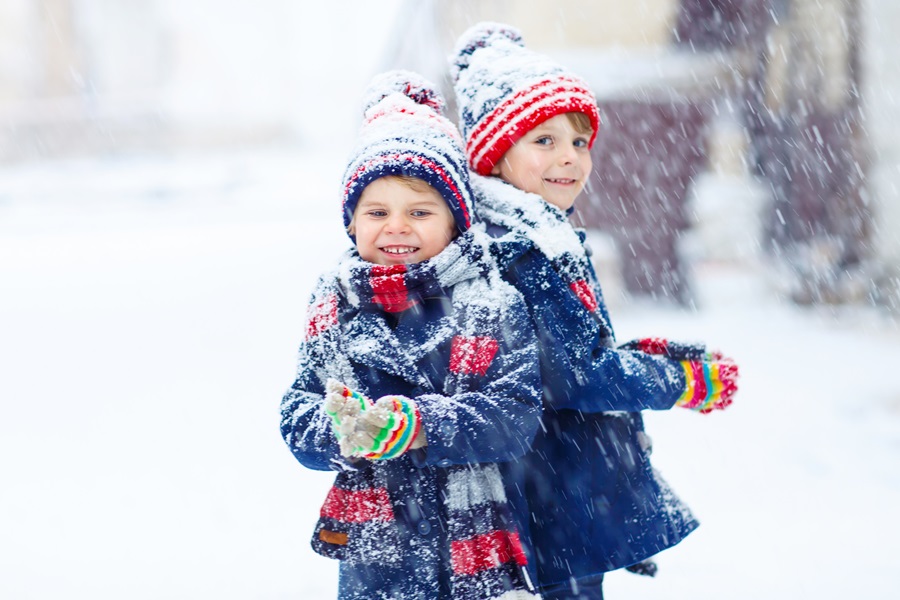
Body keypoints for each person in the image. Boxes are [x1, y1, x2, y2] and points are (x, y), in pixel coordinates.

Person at [449, 22, 740, 600]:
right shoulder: (519, 251)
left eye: (580, 142)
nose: (570, 157)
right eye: (545, 140)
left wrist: (649, 356)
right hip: (548, 494)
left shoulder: (545, 234)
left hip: (561, 490)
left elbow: (575, 350)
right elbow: (576, 376)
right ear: (495, 153)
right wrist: (682, 381)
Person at [279, 70, 546, 600]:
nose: (396, 226)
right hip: (377, 558)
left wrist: (420, 426)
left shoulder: (492, 302)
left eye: (420, 212)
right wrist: (340, 431)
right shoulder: (333, 306)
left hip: (474, 545)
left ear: (455, 223)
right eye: (377, 212)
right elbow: (298, 408)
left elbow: (514, 415)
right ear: (351, 223)